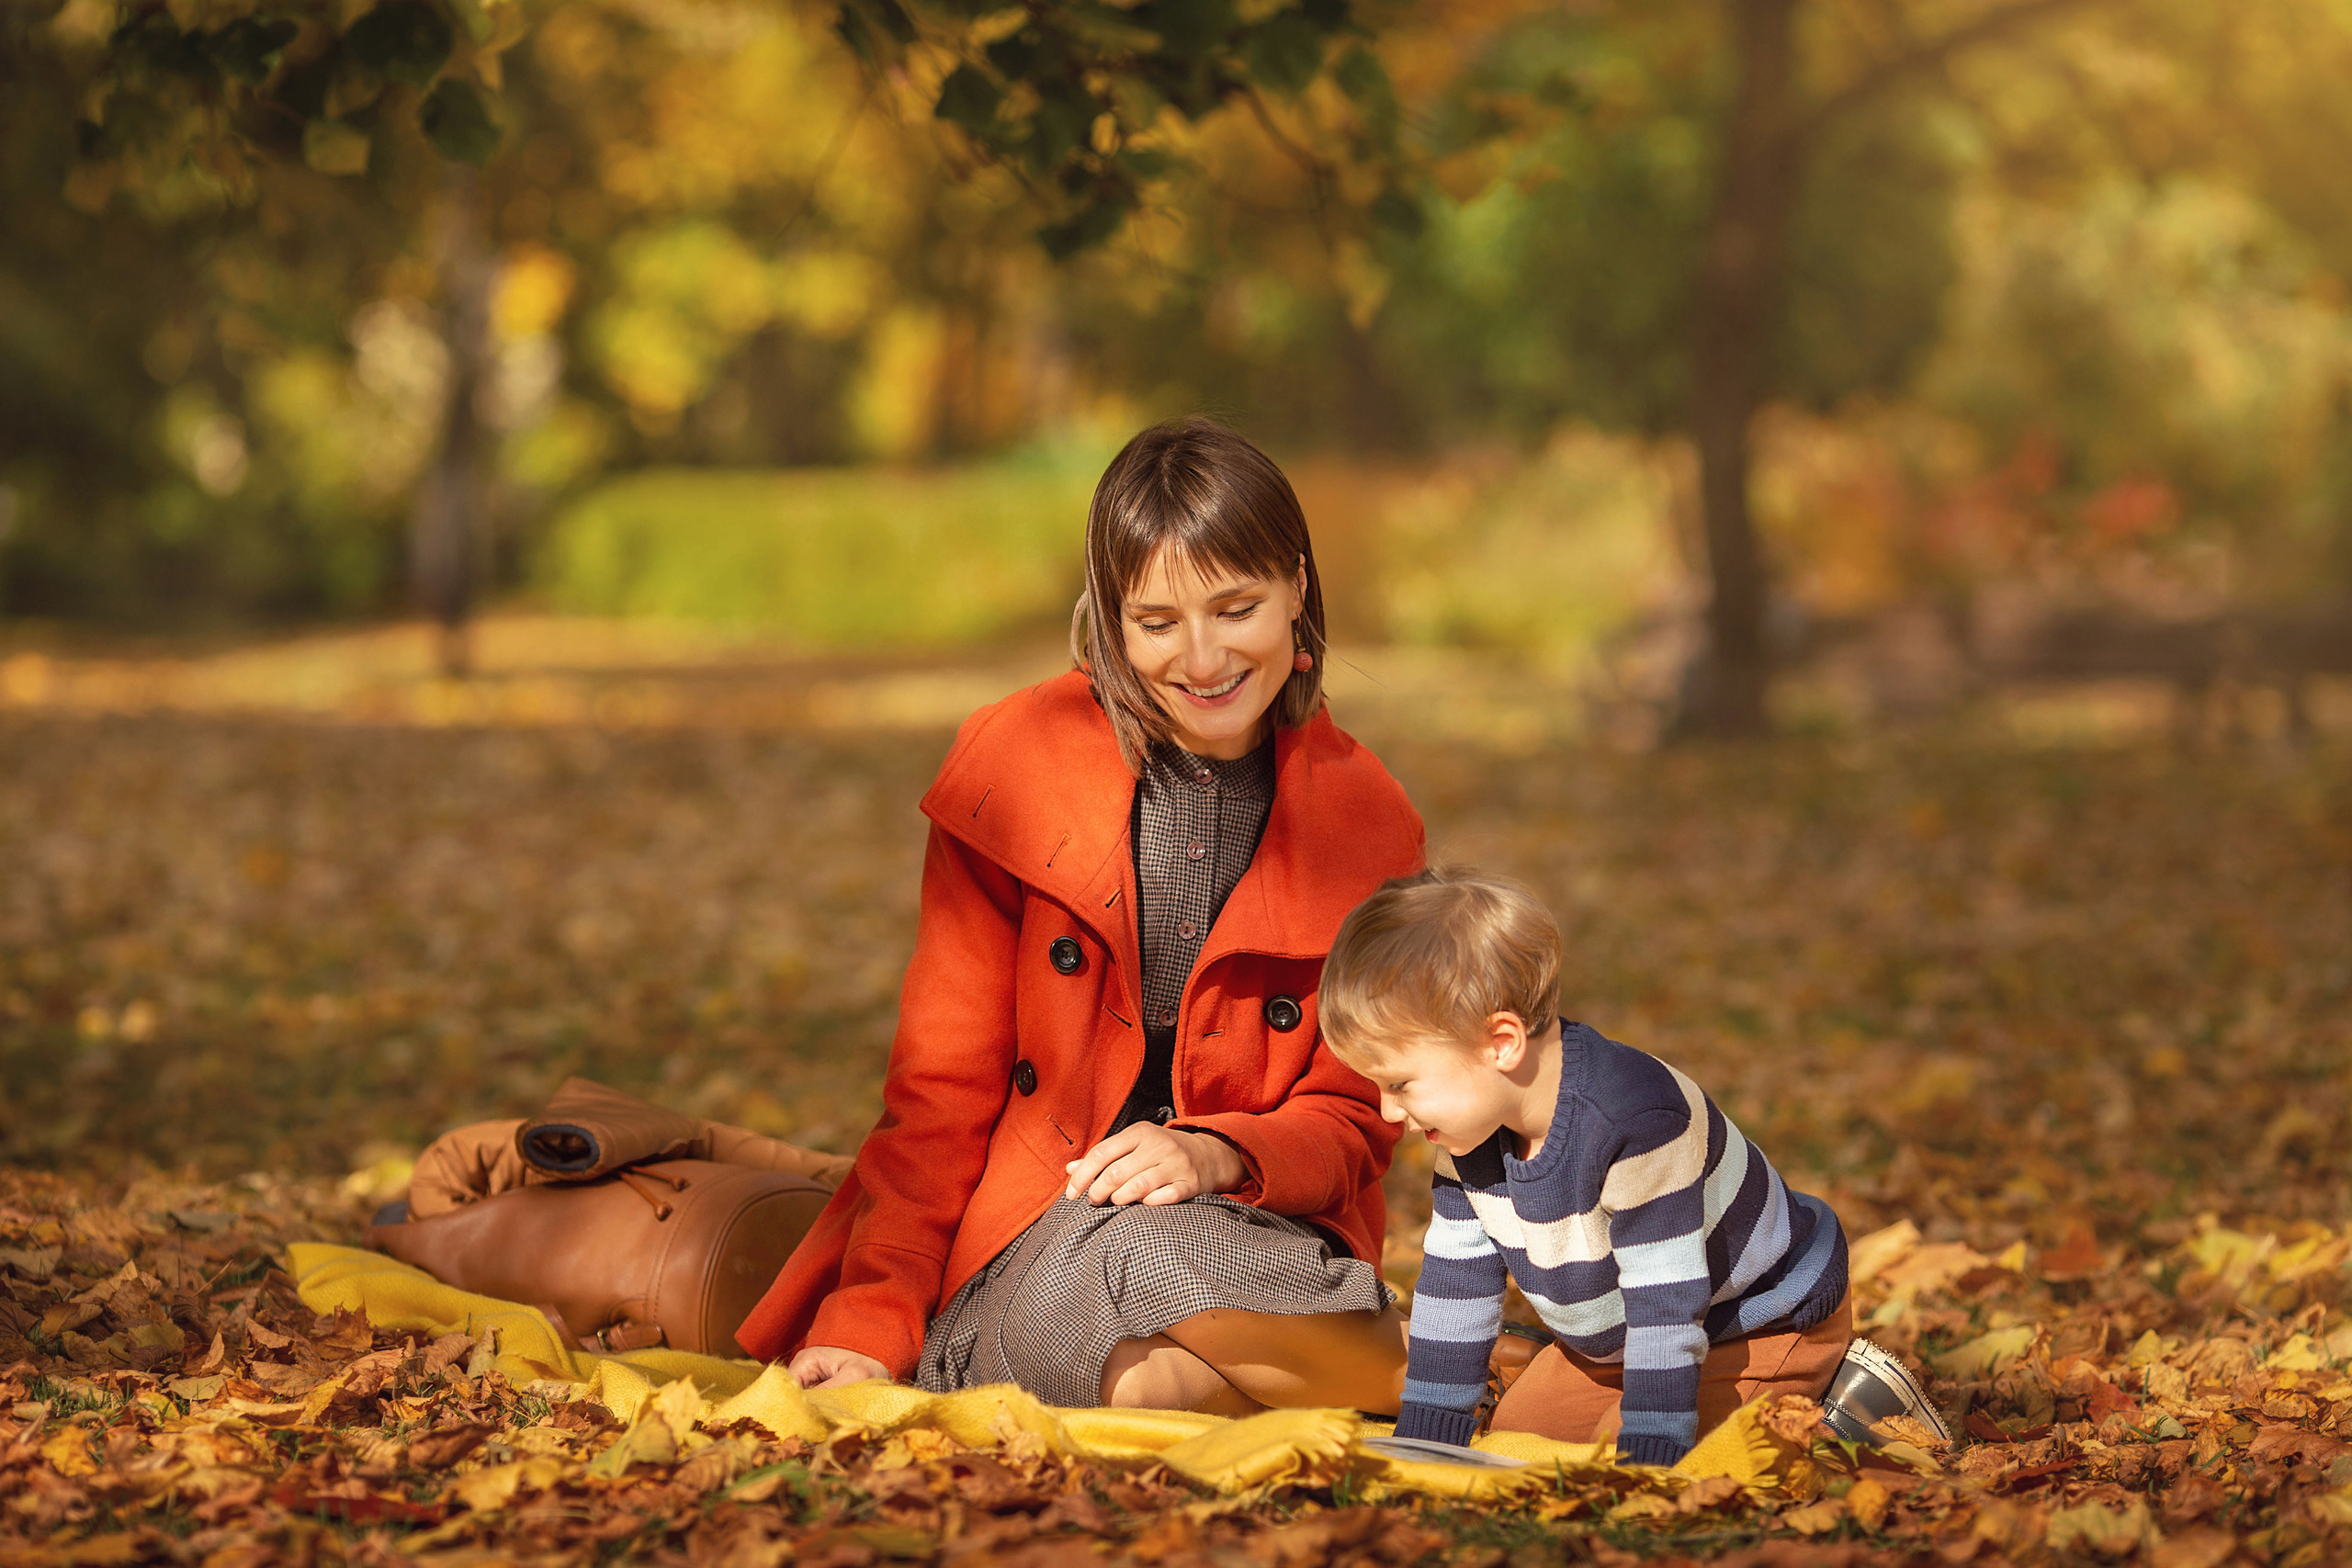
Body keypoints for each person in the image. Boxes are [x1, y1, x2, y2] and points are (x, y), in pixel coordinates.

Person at [733, 417, 1425, 1416]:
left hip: (1253, 1226)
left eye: (1238, 608)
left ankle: (1378, 1373)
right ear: (1108, 614)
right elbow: (939, 1092)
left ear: (1299, 592)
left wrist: (1213, 1151)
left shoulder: (1369, 823)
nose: (1202, 658)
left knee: (1172, 1309)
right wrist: (872, 1317)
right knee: (1151, 1373)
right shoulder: (1015, 769)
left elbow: (1352, 1118)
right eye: (1156, 622)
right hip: (1034, 1237)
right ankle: (1402, 1381)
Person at [1318, 868, 1952, 1461]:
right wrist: (1430, 1438)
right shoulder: (1466, 1130)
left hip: (1753, 1321)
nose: (1389, 1109)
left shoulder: (1633, 1120)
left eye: (1401, 1082)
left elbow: (1666, 1302)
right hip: (1617, 1341)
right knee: (1516, 1441)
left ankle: (1847, 1400)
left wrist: (1650, 1449)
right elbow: (1456, 1285)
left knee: (1625, 1451)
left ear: (1501, 1043)